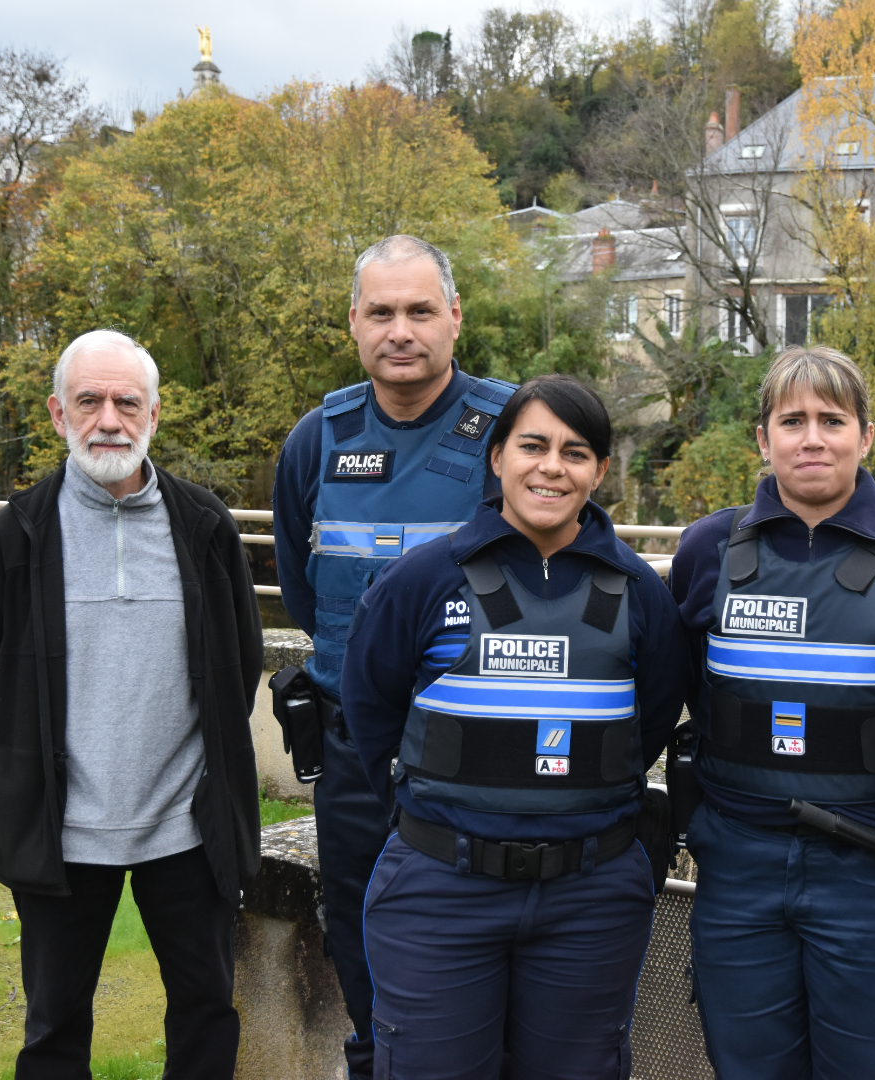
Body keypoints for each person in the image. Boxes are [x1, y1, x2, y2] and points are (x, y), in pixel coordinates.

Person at [341, 374, 688, 1079]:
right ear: (496, 457)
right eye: (532, 444)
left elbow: (647, 722)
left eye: (575, 450)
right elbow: (369, 718)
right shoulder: (422, 581)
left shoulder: (642, 594)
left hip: (589, 901)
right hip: (441, 891)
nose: (551, 466)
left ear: (599, 470)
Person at [0, 329, 263, 1079]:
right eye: (90, 401)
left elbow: (238, 662)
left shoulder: (205, 527)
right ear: (59, 414)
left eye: (128, 401)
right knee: (54, 1027)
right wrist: (35, 765)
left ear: (155, 414)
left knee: (206, 1010)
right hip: (62, 833)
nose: (110, 420)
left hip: (185, 829)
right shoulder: (16, 535)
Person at [668, 345, 875, 1079]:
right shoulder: (707, 550)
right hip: (739, 873)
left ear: (866, 436)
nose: (813, 438)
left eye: (833, 420)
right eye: (793, 420)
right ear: (763, 439)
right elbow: (679, 691)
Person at [271, 234, 515, 1077]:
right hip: (356, 751)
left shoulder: (514, 429)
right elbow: (306, 596)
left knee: (486, 939)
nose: (400, 329)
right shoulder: (320, 437)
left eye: (419, 310)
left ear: (455, 317)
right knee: (361, 927)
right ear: (354, 324)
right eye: (381, 311)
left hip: (486, 750)